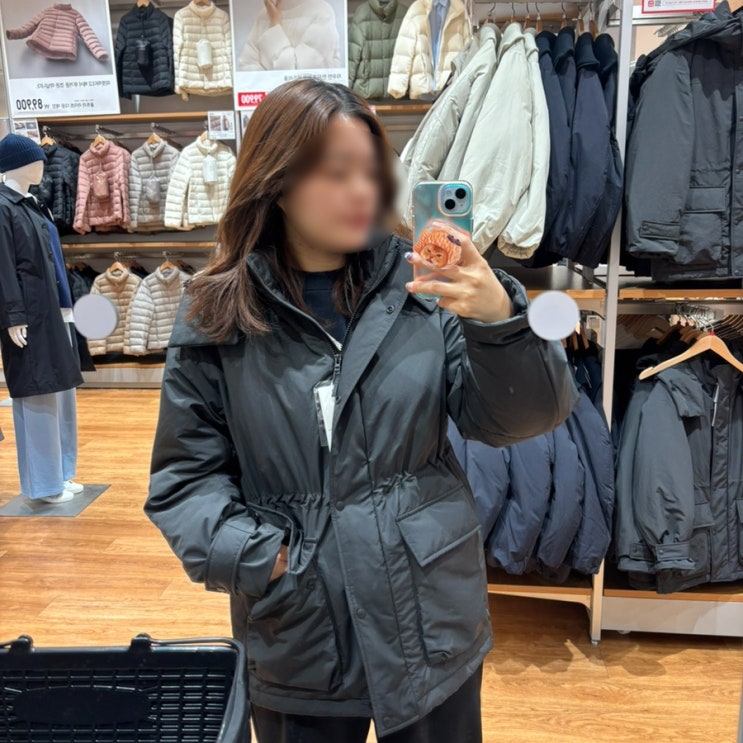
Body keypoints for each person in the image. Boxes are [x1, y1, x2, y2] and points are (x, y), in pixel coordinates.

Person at [145, 79, 577, 743]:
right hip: (297, 629)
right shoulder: (215, 312)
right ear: (277, 181)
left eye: (371, 172)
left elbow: (518, 419)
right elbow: (184, 479)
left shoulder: (424, 289)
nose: (361, 192)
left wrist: (498, 319)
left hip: (429, 613)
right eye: (335, 172)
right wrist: (260, 557)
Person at [0, 134, 84, 505]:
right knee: (38, 394)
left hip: (54, 310)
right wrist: (13, 316)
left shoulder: (33, 204)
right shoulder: (3, 207)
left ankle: (62, 473)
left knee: (62, 394)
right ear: (16, 165)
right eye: (35, 161)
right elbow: (3, 267)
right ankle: (45, 485)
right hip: (29, 316)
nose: (42, 166)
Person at [238, 0, 341, 71]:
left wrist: (275, 25)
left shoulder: (321, 11)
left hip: (306, 96)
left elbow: (300, 73)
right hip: (270, 96)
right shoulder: (265, 14)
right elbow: (246, 67)